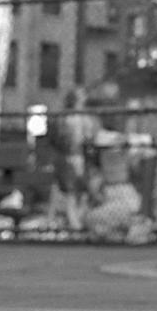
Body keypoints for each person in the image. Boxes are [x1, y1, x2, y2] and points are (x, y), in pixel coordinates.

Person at [48, 88, 100, 232]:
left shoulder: (85, 117)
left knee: (83, 190)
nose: (84, 98)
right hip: (68, 157)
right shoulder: (67, 117)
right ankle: (72, 223)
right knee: (70, 191)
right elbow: (60, 139)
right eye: (81, 96)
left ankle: (77, 219)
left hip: (81, 157)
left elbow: (90, 136)